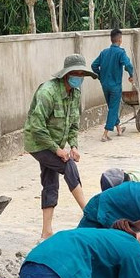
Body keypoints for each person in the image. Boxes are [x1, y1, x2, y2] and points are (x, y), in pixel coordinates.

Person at [23, 53, 96, 241]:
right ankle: (89, 213)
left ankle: (46, 231)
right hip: (38, 143)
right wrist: (58, 151)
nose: (79, 78)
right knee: (68, 165)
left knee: (50, 183)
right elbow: (36, 127)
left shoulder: (75, 93)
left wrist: (74, 146)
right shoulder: (47, 92)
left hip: (56, 144)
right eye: (76, 73)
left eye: (82, 75)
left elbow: (73, 124)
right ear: (66, 74)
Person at [91, 29, 134, 142]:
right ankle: (105, 134)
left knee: (112, 108)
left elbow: (94, 66)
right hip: (115, 86)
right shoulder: (121, 52)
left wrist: (100, 77)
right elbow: (128, 65)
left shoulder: (104, 52)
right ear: (120, 40)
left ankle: (119, 129)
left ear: (111, 39)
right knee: (113, 109)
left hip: (105, 85)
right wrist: (131, 75)